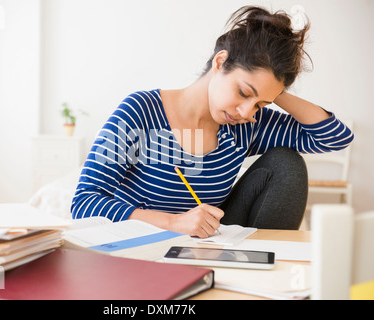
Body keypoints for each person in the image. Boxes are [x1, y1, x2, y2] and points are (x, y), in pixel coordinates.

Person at [71, 6, 354, 238]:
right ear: (220, 62)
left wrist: (274, 93)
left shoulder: (246, 125)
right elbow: (84, 202)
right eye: (243, 92)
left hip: (209, 244)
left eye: (260, 104)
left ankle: (263, 270)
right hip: (140, 246)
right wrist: (173, 223)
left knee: (286, 164)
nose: (245, 111)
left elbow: (335, 138)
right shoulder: (140, 110)